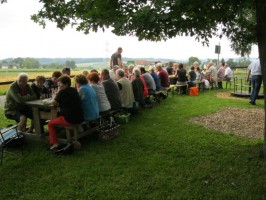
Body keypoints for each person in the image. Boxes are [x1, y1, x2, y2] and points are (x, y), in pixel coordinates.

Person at [48, 75, 84, 150]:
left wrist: (57, 93)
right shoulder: (74, 90)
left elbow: (54, 103)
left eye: (60, 83)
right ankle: (62, 134)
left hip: (70, 119)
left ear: (66, 84)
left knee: (50, 124)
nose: (58, 85)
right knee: (59, 116)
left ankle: (55, 144)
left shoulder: (62, 92)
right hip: (80, 117)